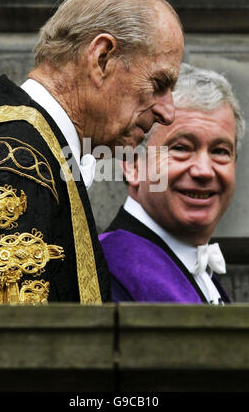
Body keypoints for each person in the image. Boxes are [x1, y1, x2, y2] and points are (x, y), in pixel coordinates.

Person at [0, 0, 184, 304]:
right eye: (158, 83)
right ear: (101, 58)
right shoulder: (19, 163)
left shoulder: (32, 149)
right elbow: (11, 347)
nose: (168, 113)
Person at [99, 63, 245, 304]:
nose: (204, 171)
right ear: (132, 164)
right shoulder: (105, 270)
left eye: (220, 151)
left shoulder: (197, 270)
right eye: (181, 148)